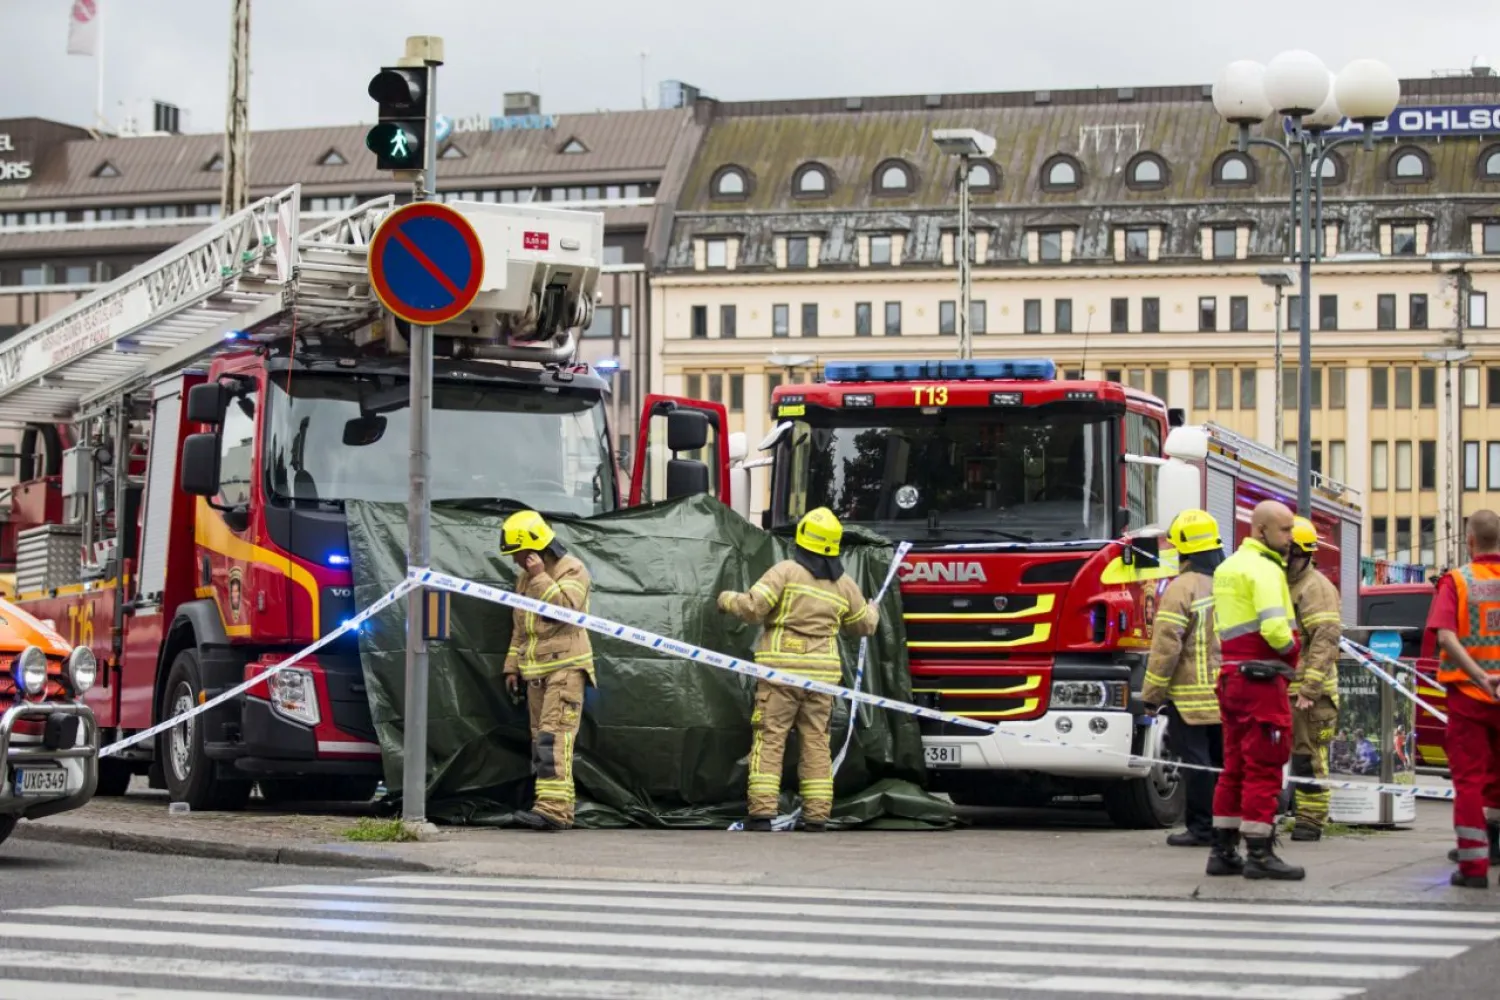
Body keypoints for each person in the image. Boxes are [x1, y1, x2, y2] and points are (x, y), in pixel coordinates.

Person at [717, 507, 879, 831]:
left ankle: (762, 814)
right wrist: (873, 609)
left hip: (781, 674)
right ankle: (817, 816)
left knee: (771, 738)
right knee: (816, 742)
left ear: (802, 539)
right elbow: (864, 625)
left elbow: (753, 608)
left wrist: (725, 599)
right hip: (822, 680)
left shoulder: (785, 572)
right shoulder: (844, 584)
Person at [1209, 499, 1305, 880]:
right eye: (1285, 530)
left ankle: (1223, 850)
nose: (1290, 538)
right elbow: (1275, 629)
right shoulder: (1265, 570)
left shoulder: (1228, 567)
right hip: (1263, 680)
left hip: (1232, 678)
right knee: (1265, 765)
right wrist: (1293, 652)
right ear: (1260, 530)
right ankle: (1260, 855)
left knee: (1233, 766)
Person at [500, 509, 595, 831]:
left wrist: (541, 577)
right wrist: (512, 666)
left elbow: (566, 612)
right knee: (540, 741)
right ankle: (551, 807)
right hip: (536, 673)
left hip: (566, 670)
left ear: (535, 549)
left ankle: (553, 811)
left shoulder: (573, 570)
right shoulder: (524, 579)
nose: (516, 561)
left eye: (519, 554)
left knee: (553, 740)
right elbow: (521, 628)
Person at [1141, 508, 1225, 848]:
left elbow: (1166, 645)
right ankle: (1224, 827)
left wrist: (1152, 694)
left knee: (1197, 764)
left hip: (1191, 697)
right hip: (1227, 692)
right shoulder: (1227, 584)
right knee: (1222, 764)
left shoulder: (1181, 588)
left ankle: (1201, 829)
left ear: (1184, 550)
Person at [1426, 509, 1500, 888]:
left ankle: (1473, 868)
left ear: (1469, 542)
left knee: (1469, 781)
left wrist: (1480, 676)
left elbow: (1445, 637)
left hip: (1469, 696)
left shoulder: (1458, 580)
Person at [1285, 516, 1344, 842]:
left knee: (1309, 757)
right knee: (1294, 754)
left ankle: (1310, 820)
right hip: (1289, 686)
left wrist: (1309, 687)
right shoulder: (1286, 582)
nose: (1286, 560)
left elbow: (1324, 640)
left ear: (1306, 553)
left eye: (1292, 553)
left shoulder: (1316, 587)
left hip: (1312, 693)